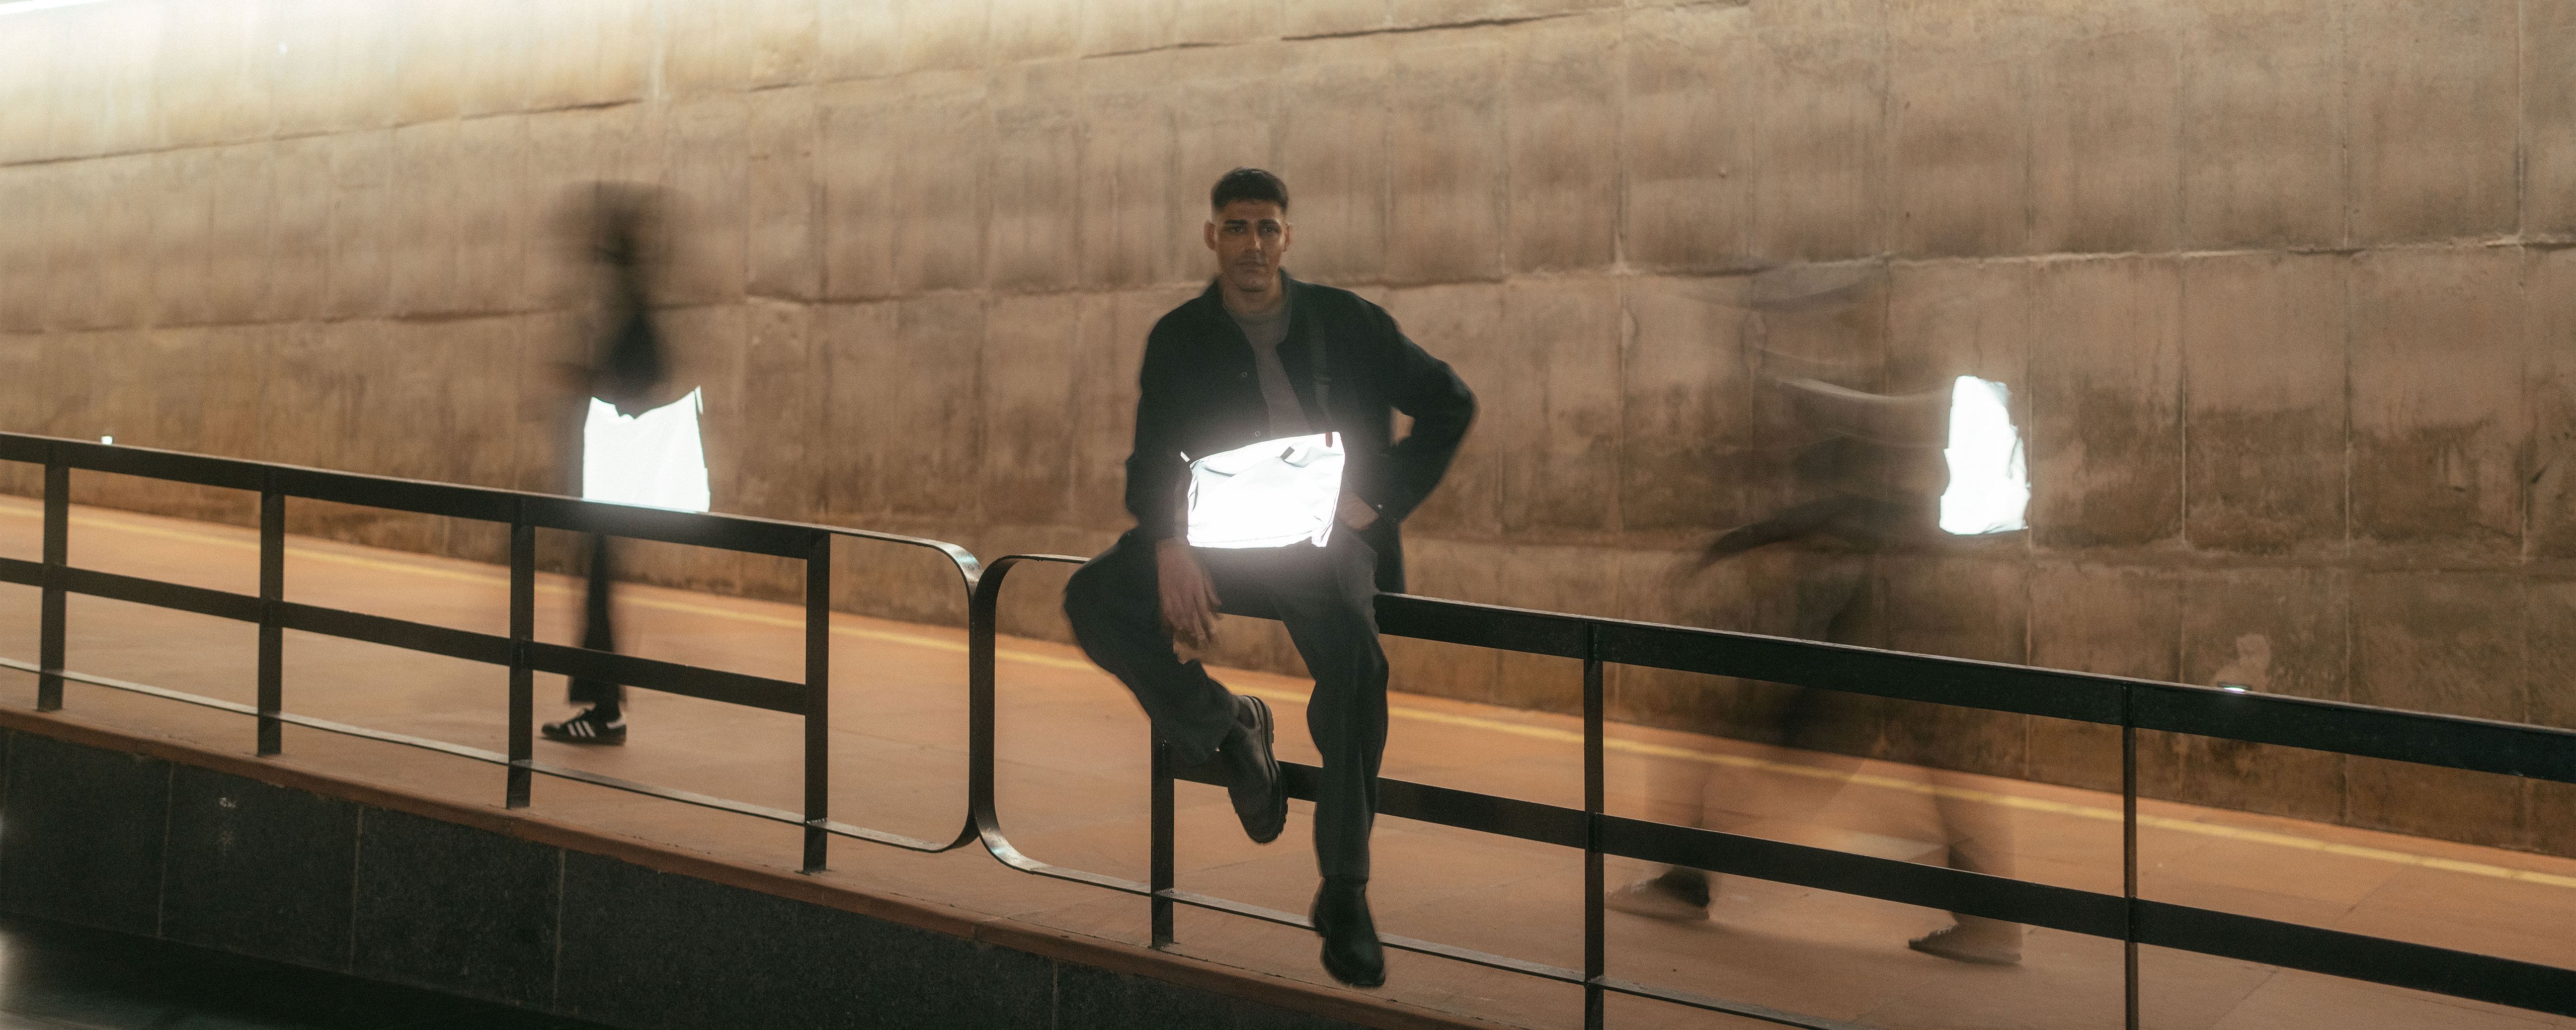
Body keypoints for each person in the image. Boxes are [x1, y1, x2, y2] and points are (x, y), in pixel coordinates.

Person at [1063, 168, 1475, 989]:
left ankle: (1345, 891)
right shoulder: (1181, 336)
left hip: (1325, 538)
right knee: (1095, 597)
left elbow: (1449, 402)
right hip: (1221, 532)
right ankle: (1227, 726)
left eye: (1266, 228)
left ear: (1287, 238)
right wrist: (1169, 542)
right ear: (1212, 237)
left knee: (1355, 665)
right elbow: (1153, 458)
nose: (1252, 243)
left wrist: (1378, 500)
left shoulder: (1348, 322)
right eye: (1237, 227)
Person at [1604, 289, 2026, 967]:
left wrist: (1742, 540)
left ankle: (1685, 879)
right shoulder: (1906, 417)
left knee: (1748, 745)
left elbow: (1855, 505)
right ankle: (1989, 919)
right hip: (1894, 626)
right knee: (1934, 767)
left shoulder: (1893, 419)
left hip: (1884, 633)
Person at [542, 183, 683, 746]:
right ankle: (601, 707)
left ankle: (604, 711)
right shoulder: (633, 306)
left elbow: (639, 383)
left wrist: (585, 379)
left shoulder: (633, 311)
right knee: (596, 587)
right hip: (611, 477)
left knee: (598, 587)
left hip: (613, 476)